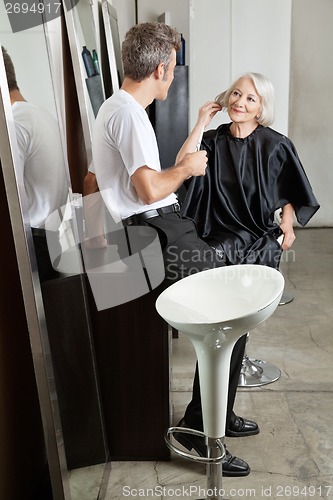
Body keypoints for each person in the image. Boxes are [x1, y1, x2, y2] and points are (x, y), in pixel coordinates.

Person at [89, 22, 256, 476]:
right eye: (173, 67)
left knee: (232, 315)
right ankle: (199, 431)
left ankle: (218, 414)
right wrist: (184, 169)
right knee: (231, 313)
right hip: (156, 231)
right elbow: (147, 190)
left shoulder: (115, 108)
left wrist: (98, 241)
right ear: (162, 68)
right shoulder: (128, 114)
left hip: (156, 226)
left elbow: (91, 180)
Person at [179, 72, 320, 268]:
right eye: (236, 94)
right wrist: (200, 124)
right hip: (215, 229)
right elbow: (181, 165)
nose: (239, 102)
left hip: (256, 230)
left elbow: (289, 187)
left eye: (250, 99)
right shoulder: (212, 140)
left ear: (260, 108)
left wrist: (287, 223)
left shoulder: (275, 145)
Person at [2, 46, 68, 282]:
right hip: (50, 241)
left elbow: (10, 198)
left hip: (34, 245)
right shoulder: (41, 115)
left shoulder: (16, 124)